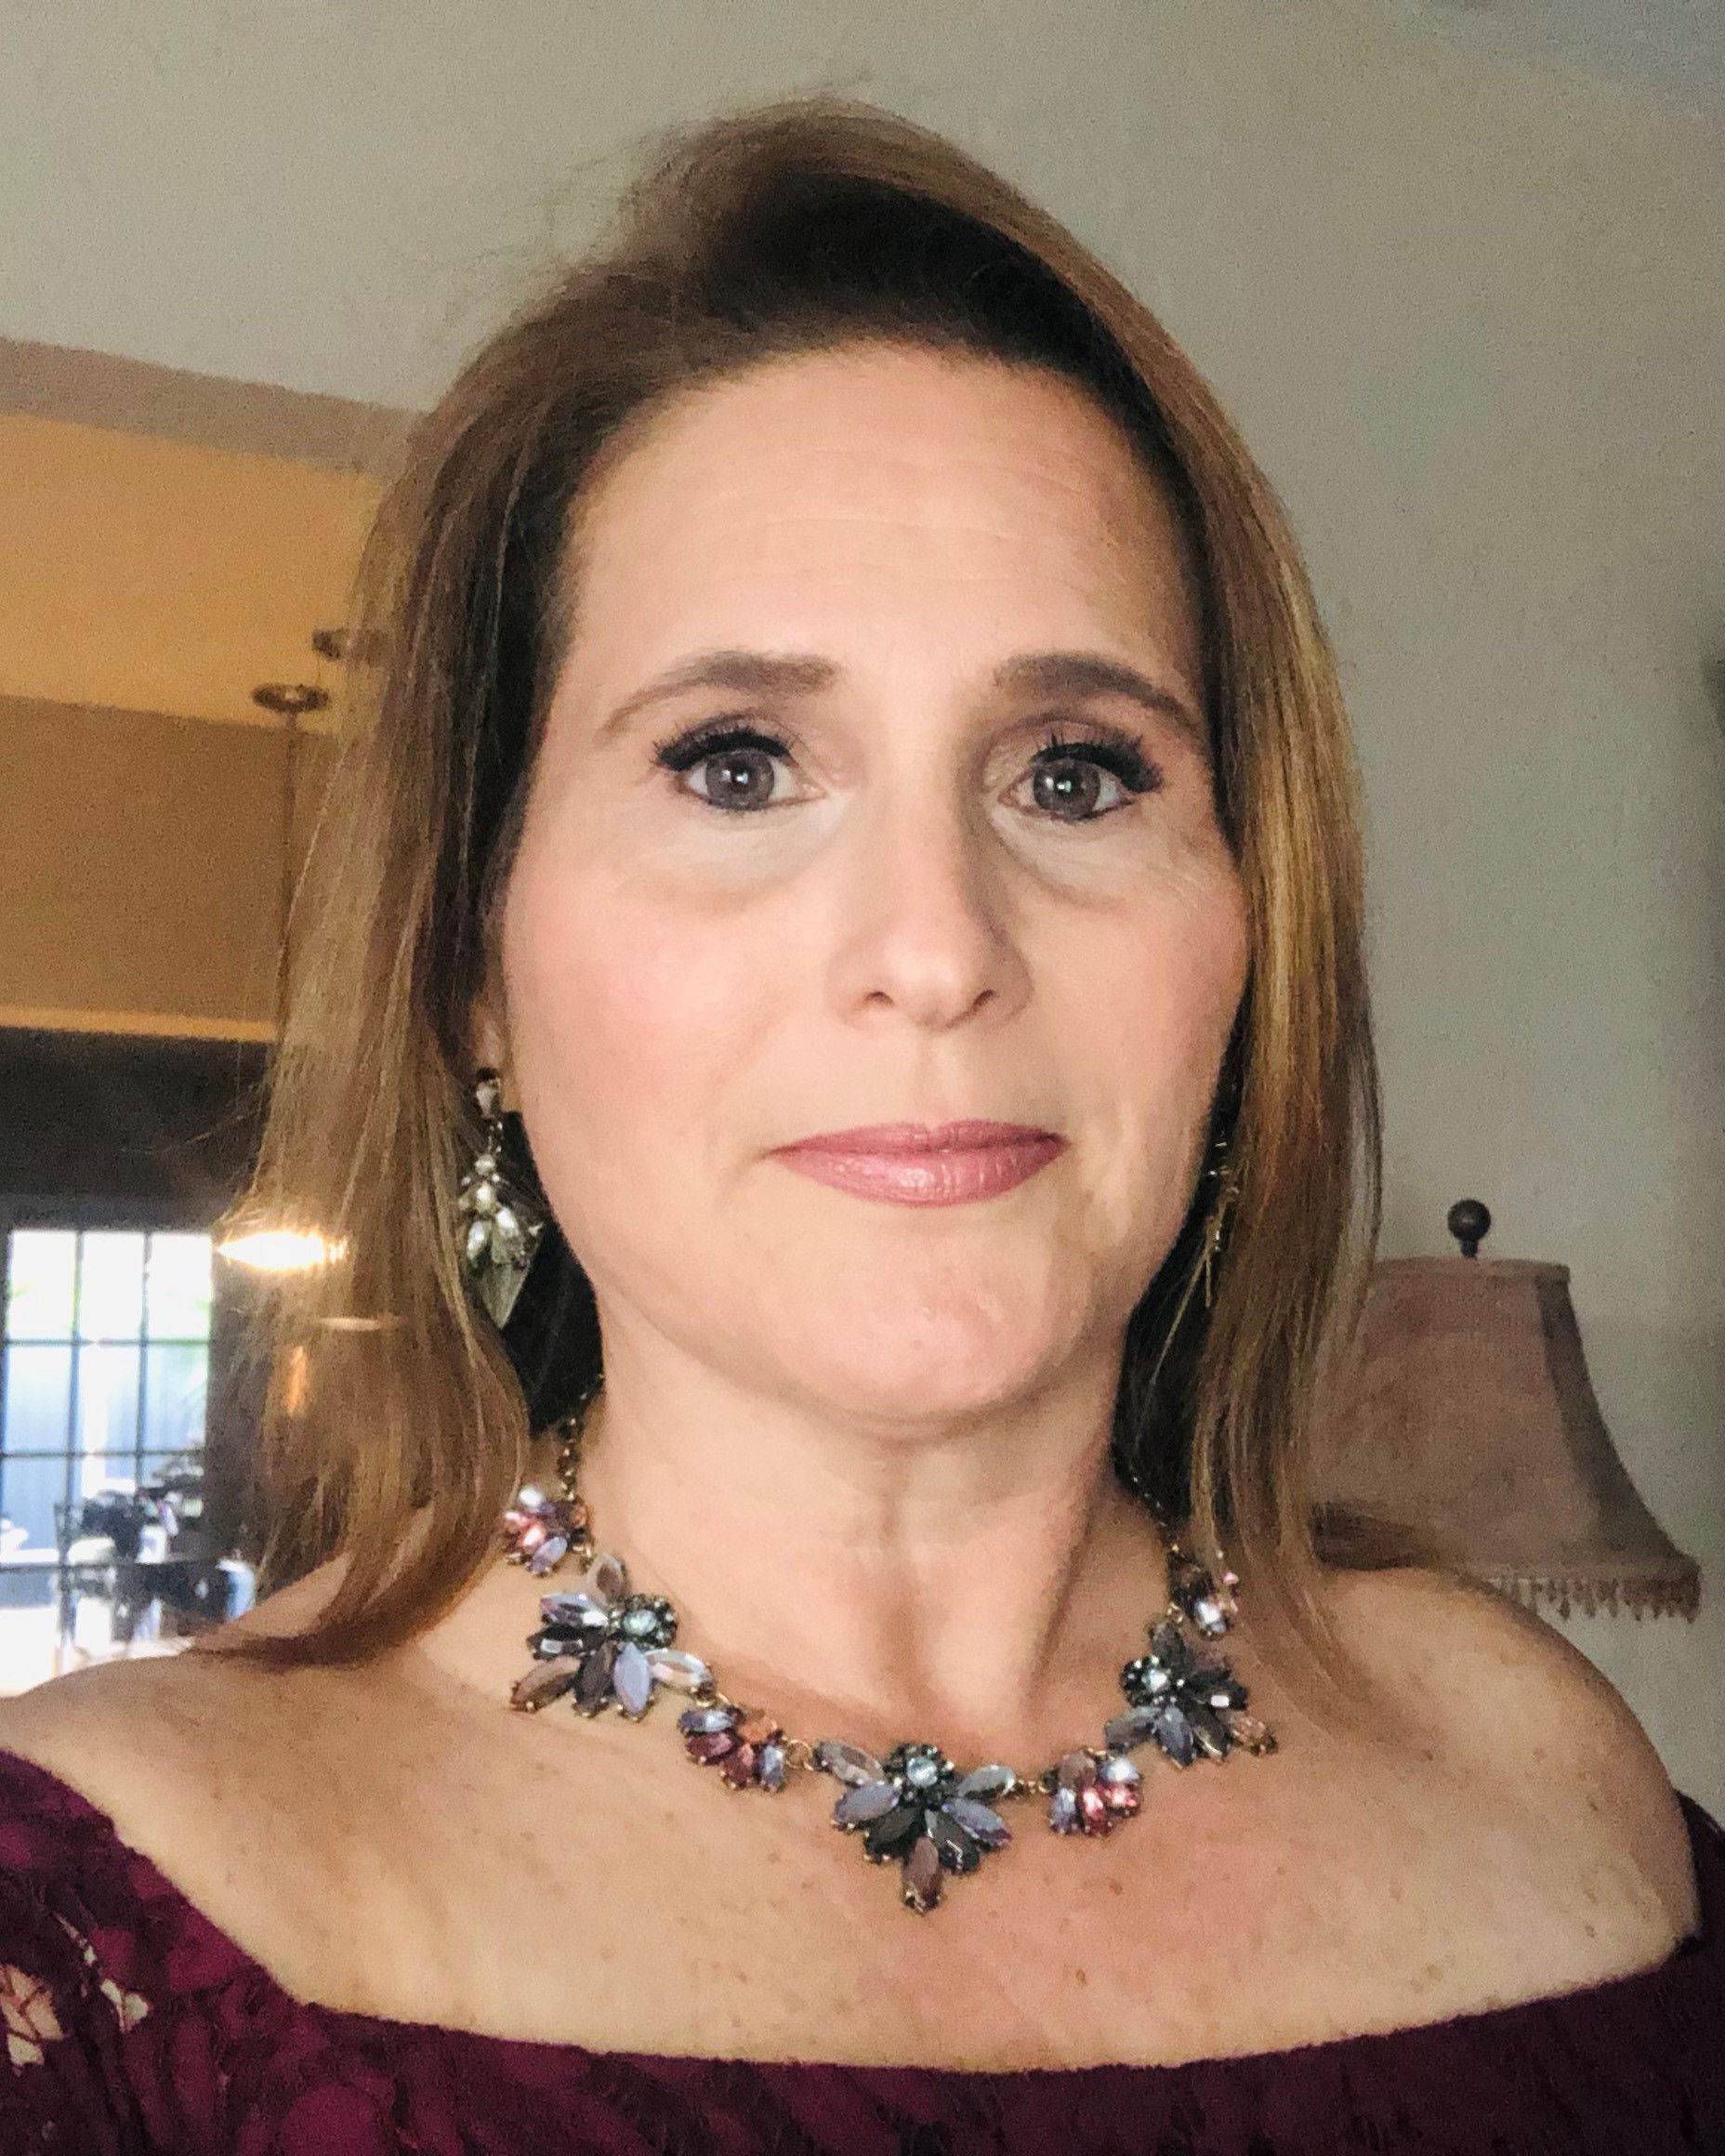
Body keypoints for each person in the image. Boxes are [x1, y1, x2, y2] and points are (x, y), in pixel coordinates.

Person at [0, 95, 1717, 2155]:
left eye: (1075, 775)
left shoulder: (1541, 1770)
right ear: (475, 970)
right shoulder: (100, 1931)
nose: (934, 947)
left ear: (1250, 935)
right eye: (736, 765)